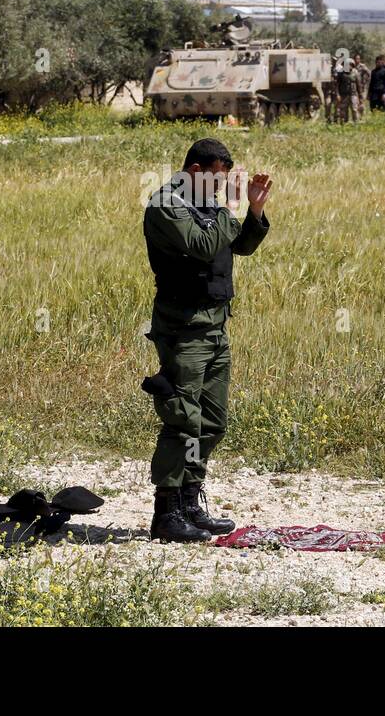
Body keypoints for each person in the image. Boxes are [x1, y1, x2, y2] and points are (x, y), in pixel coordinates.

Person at [142, 138, 272, 543]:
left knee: (212, 422)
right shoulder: (166, 205)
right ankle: (166, 512)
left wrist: (253, 209)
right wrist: (229, 209)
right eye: (217, 179)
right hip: (182, 328)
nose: (221, 188)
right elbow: (202, 245)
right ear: (196, 171)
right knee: (183, 419)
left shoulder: (207, 204)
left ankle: (189, 502)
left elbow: (241, 246)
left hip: (215, 326)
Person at [333, 54, 360, 123]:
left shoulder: (355, 73)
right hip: (343, 94)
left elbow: (358, 84)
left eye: (349, 64)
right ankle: (344, 123)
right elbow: (337, 85)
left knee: (354, 109)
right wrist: (338, 94)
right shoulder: (341, 74)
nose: (348, 66)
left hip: (353, 94)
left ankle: (356, 123)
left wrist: (360, 95)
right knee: (344, 110)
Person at [353, 54, 371, 119]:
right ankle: (357, 117)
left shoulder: (362, 66)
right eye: (356, 58)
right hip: (355, 88)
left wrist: (365, 81)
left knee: (362, 102)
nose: (357, 60)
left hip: (362, 88)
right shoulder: (352, 66)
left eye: (358, 59)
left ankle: (363, 117)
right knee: (356, 103)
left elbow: (369, 74)